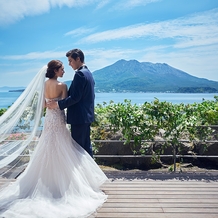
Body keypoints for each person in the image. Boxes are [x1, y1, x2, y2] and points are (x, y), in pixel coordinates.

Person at [0, 60, 108, 218]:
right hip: (58, 120)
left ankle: (44, 182)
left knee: (46, 148)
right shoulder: (62, 86)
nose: (64, 71)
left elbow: (44, 105)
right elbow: (65, 103)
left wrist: (51, 103)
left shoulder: (43, 85)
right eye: (62, 69)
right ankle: (63, 185)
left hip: (49, 120)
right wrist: (58, 104)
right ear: (56, 71)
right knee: (64, 148)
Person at [47, 49, 94, 157]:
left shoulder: (80, 74)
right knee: (85, 149)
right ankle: (89, 172)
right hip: (86, 116)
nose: (69, 64)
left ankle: (83, 173)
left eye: (70, 61)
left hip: (79, 118)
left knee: (78, 150)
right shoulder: (88, 73)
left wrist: (58, 104)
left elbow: (75, 97)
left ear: (78, 59)